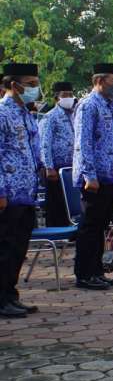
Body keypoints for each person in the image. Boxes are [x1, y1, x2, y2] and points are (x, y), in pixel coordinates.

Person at [72, 63, 113, 291]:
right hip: (95, 179)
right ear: (100, 81)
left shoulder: (110, 106)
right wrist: (89, 175)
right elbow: (83, 143)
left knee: (101, 226)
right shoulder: (88, 105)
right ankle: (84, 274)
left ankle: (97, 271)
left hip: (112, 177)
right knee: (90, 226)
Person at [0, 62, 44, 317]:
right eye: (30, 84)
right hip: (8, 192)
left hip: (26, 191)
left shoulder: (25, 113)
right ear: (14, 85)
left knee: (18, 247)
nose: (34, 89)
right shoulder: (2, 113)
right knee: (5, 247)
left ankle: (10, 294)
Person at [39, 81, 76, 227]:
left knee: (70, 201)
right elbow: (45, 143)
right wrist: (49, 166)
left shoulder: (74, 115)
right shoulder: (50, 117)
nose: (69, 98)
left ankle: (70, 230)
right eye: (65, 95)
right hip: (55, 167)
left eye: (71, 95)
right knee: (56, 202)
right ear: (56, 98)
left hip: (71, 166)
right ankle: (56, 232)